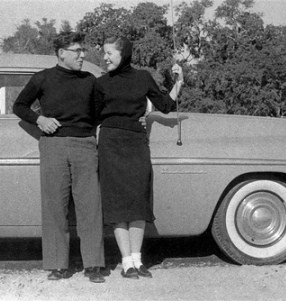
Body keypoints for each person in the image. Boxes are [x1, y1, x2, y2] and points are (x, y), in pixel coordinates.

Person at [13, 32, 106, 283]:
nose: (82, 55)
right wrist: (39, 119)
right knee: (55, 206)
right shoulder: (42, 78)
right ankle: (57, 265)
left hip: (85, 145)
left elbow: (98, 112)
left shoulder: (91, 80)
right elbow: (19, 106)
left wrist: (84, 132)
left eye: (82, 50)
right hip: (53, 146)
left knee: (90, 206)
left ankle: (94, 265)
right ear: (61, 53)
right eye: (77, 51)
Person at [95, 36, 184, 279]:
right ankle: (126, 262)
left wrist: (179, 82)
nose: (105, 58)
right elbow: (91, 117)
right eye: (104, 53)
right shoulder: (99, 83)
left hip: (136, 143)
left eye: (109, 53)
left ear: (123, 54)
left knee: (138, 202)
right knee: (117, 203)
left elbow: (165, 106)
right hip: (110, 144)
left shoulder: (143, 78)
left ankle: (138, 260)